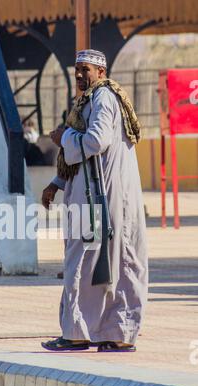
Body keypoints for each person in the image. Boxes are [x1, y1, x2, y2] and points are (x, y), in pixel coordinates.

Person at [41, 49, 148, 352]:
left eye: (85, 69)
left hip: (105, 196)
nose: (79, 75)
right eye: (76, 69)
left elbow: (95, 141)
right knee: (102, 265)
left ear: (101, 71)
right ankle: (107, 333)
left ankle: (87, 333)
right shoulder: (88, 101)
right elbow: (81, 158)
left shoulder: (103, 98)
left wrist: (63, 138)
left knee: (105, 264)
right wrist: (56, 183)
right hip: (92, 194)